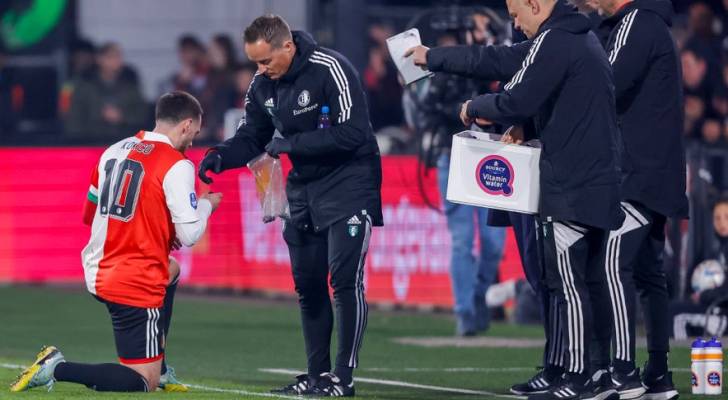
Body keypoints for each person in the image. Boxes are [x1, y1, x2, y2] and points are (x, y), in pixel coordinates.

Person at [407, 0, 624, 398]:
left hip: (570, 185)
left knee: (568, 286)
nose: (514, 22)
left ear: (534, 4)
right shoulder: (577, 37)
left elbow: (516, 99)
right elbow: (497, 60)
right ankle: (587, 373)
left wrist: (474, 107)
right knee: (586, 284)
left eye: (514, 12)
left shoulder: (556, 39)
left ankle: (578, 377)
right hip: (594, 180)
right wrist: (434, 57)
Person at [198, 15, 382, 397]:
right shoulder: (263, 84)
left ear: (288, 46)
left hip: (349, 183)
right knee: (308, 285)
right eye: (255, 62)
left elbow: (354, 133)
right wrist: (221, 155)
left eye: (266, 61)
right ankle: (316, 376)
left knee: (345, 281)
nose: (261, 69)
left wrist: (293, 145)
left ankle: (342, 378)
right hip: (303, 190)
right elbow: (253, 136)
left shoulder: (330, 68)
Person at [10, 91, 221, 393]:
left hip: (97, 267)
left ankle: (160, 367)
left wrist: (157, 228)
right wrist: (206, 206)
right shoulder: (177, 164)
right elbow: (190, 235)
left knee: (171, 269)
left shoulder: (115, 149)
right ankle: (56, 367)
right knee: (141, 381)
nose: (192, 141)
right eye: (195, 133)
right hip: (133, 280)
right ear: (187, 125)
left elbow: (91, 213)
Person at [586, 0, 688, 399]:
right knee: (648, 273)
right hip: (656, 172)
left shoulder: (637, 21)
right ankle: (658, 373)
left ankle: (623, 372)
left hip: (639, 175)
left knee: (613, 262)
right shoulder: (652, 24)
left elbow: (605, 85)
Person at [420, 31, 506, 336]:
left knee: (494, 243)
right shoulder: (438, 78)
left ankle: (478, 295)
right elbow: (424, 111)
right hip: (453, 155)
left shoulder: (487, 64)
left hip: (489, 155)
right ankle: (465, 312)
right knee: (462, 240)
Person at [64, 42, 147, 142]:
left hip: (125, 143)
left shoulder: (130, 84)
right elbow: (74, 119)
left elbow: (142, 113)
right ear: (99, 59)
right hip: (91, 142)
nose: (116, 61)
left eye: (119, 57)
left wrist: (122, 116)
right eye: (111, 57)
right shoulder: (84, 85)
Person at [670, 197, 728, 339]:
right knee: (673, 308)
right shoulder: (714, 251)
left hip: (723, 314)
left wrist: (703, 296)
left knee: (676, 315)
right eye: (717, 218)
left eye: (727, 217)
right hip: (713, 308)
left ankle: (677, 353)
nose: (722, 223)